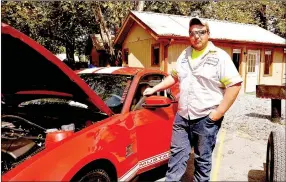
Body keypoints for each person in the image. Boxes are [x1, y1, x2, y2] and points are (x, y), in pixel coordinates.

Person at [143, 17, 243, 182]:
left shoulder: (219, 57)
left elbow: (235, 84)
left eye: (201, 32)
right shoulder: (184, 54)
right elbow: (174, 77)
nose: (196, 36)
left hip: (206, 118)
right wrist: (154, 88)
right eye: (192, 33)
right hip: (182, 117)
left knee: (202, 160)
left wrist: (218, 113)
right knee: (176, 156)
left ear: (208, 34)